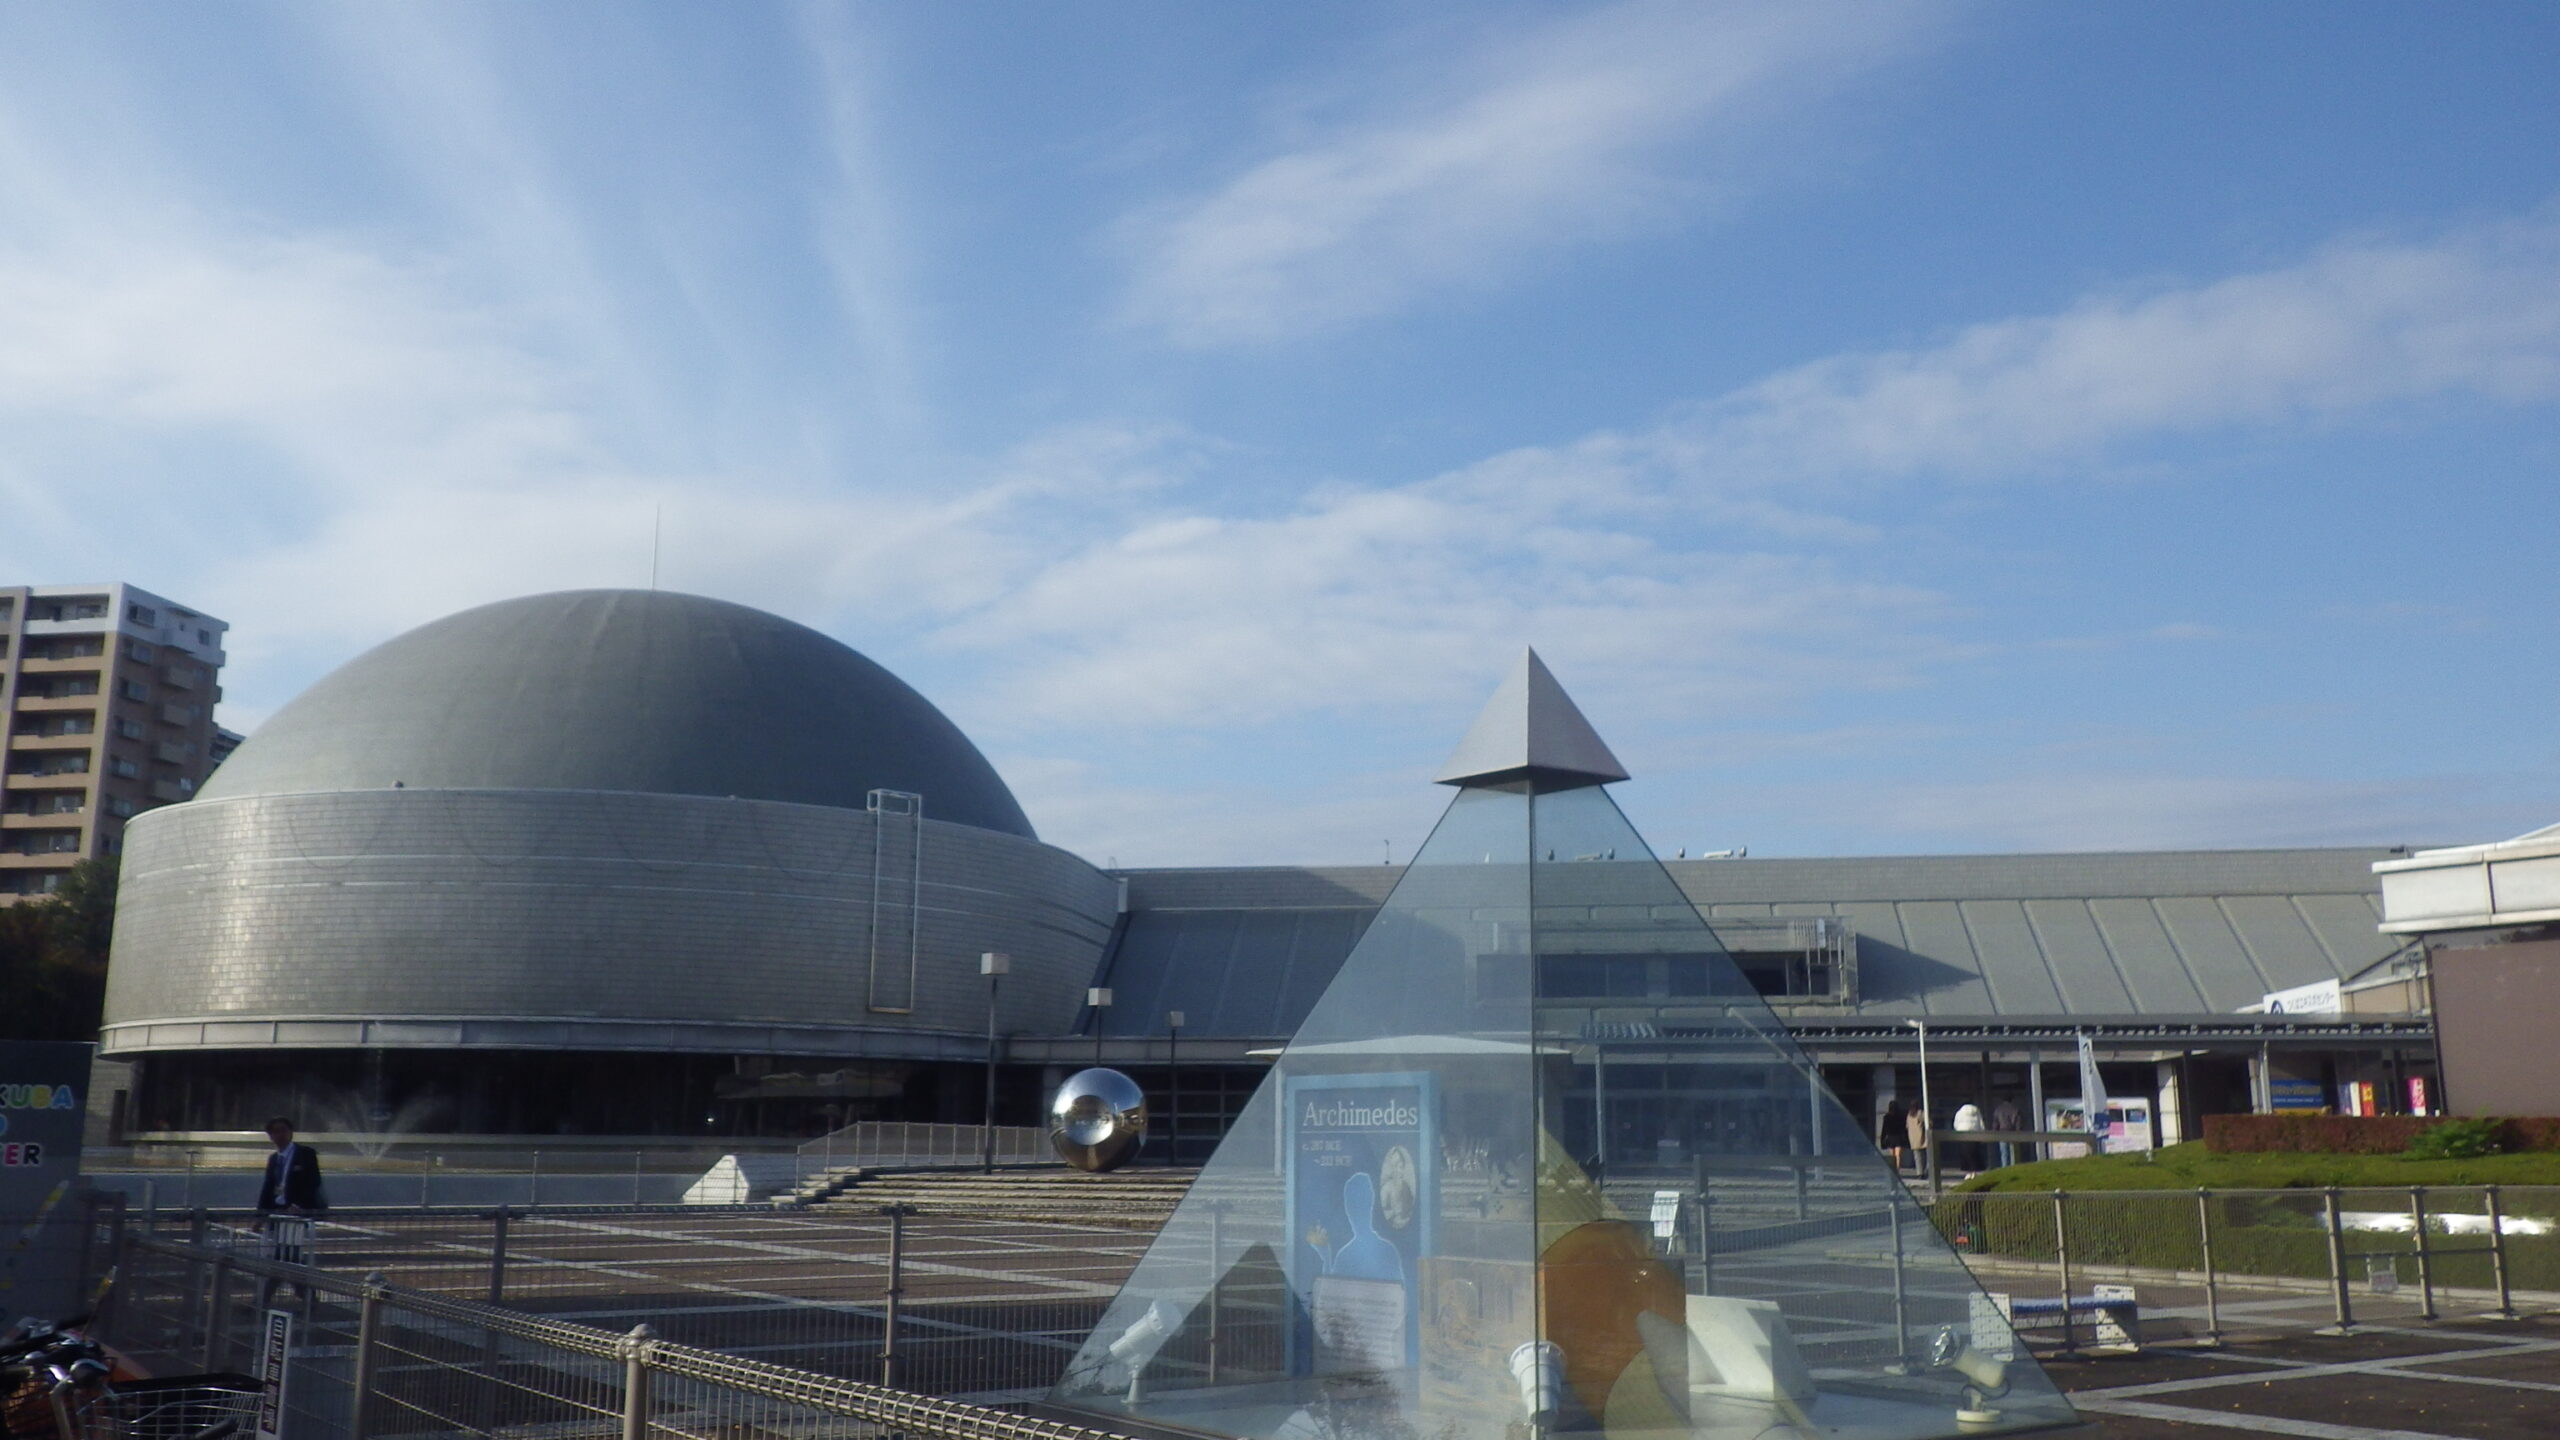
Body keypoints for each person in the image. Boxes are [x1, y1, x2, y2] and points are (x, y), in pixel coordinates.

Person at [256, 1117, 326, 1268]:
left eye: (284, 1130)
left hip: (296, 1212)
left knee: (288, 1251)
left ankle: (285, 1278)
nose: (281, 1135)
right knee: (282, 1251)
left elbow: (313, 1181)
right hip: (279, 1211)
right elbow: (268, 1187)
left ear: (291, 1132)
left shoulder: (305, 1154)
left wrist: (298, 1204)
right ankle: (287, 1277)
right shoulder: (274, 1159)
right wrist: (260, 1216)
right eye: (276, 1132)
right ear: (271, 1136)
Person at [1951, 1101, 1986, 1175]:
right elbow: (1981, 1123)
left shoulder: (1959, 1112)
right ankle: (1974, 1171)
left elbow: (1956, 1124)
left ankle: (1968, 1172)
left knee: (1965, 1153)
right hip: (1974, 1134)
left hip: (1962, 1134)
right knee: (1974, 1153)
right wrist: (1982, 1133)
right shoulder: (1977, 1112)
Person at [1989, 1097, 2023, 1168]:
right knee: (2013, 1154)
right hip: (2013, 1133)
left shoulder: (1998, 1109)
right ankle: (2014, 1168)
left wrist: (1994, 1132)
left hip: (2002, 1133)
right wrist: (2018, 1132)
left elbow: (1995, 1123)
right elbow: (2018, 1123)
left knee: (2004, 1154)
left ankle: (2005, 1168)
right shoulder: (2015, 1109)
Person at [1878, 1100, 1907, 1174]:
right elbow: (1904, 1128)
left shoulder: (1887, 1117)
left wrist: (1882, 1140)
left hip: (1891, 1137)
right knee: (1898, 1156)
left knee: (1892, 1156)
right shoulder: (1901, 1116)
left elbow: (1884, 1129)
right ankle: (1897, 1170)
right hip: (1899, 1137)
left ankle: (1893, 1170)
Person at [1905, 1102, 1932, 1181]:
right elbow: (1929, 1123)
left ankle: (1919, 1173)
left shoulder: (1909, 1115)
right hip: (1923, 1137)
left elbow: (1907, 1126)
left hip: (1913, 1138)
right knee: (1928, 1156)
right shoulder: (1921, 1113)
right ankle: (1926, 1171)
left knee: (1917, 1157)